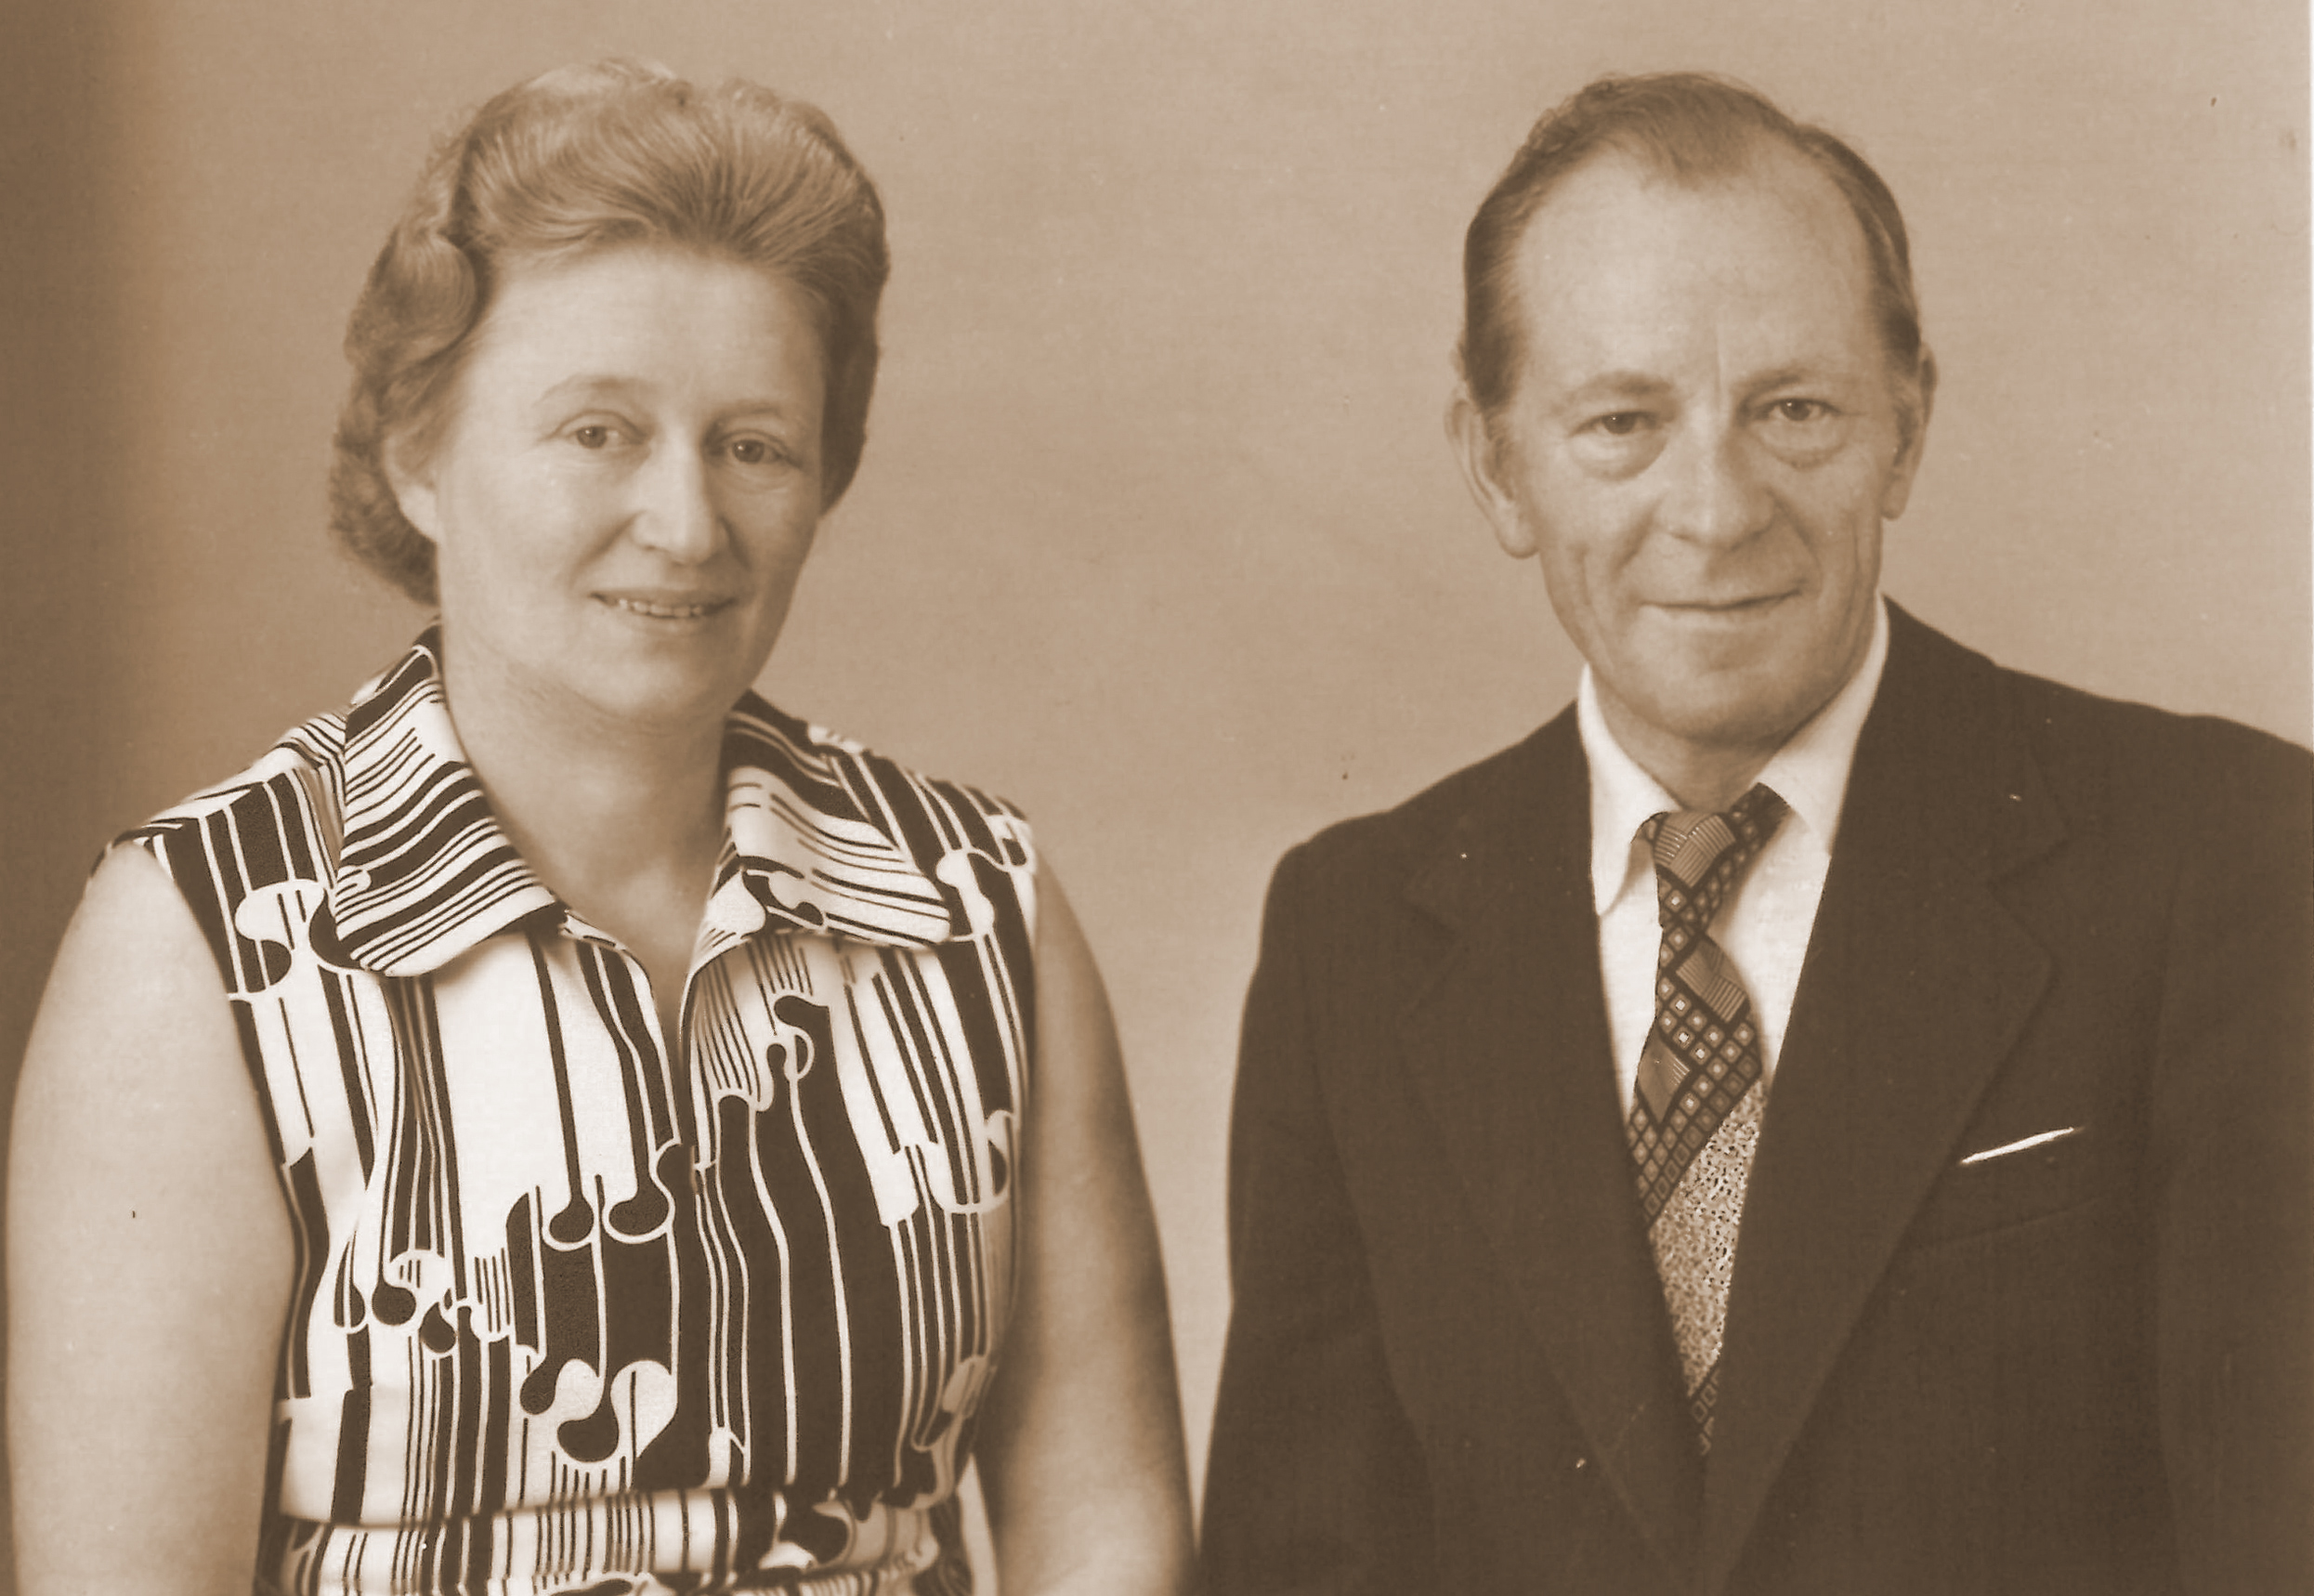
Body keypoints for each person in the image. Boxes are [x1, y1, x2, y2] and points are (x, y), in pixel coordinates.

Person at [8, 60, 1193, 1596]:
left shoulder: (974, 902)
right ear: (417, 457)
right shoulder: (198, 946)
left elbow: (1104, 1525)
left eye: (754, 445)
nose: (687, 526)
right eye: (597, 433)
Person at [1199, 72, 2310, 1596]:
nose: (1717, 508)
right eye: (1622, 422)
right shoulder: (1354, 934)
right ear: (1496, 465)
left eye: (1794, 410)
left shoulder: (2229, 855)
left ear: (1905, 431)